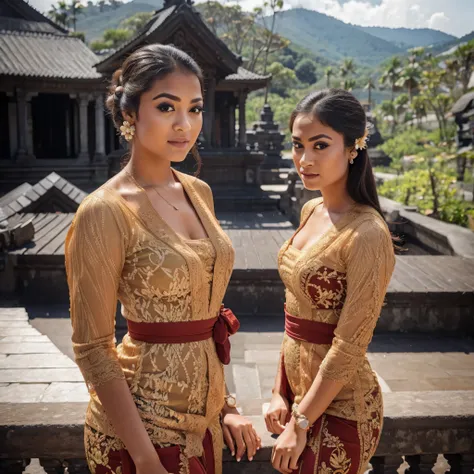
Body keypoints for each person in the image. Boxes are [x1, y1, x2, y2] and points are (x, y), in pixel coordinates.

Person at [65, 44, 260, 474]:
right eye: (167, 106)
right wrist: (146, 459)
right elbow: (93, 348)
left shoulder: (199, 192)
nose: (184, 124)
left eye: (195, 109)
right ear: (131, 113)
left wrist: (225, 404)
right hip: (139, 433)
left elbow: (204, 318)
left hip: (207, 426)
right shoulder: (105, 211)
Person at [264, 89, 395, 474]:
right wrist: (278, 391)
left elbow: (350, 345)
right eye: (298, 145)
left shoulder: (368, 234)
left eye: (320, 145)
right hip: (298, 396)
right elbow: (294, 315)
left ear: (353, 148)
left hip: (342, 404)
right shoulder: (312, 209)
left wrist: (302, 422)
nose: (305, 160)